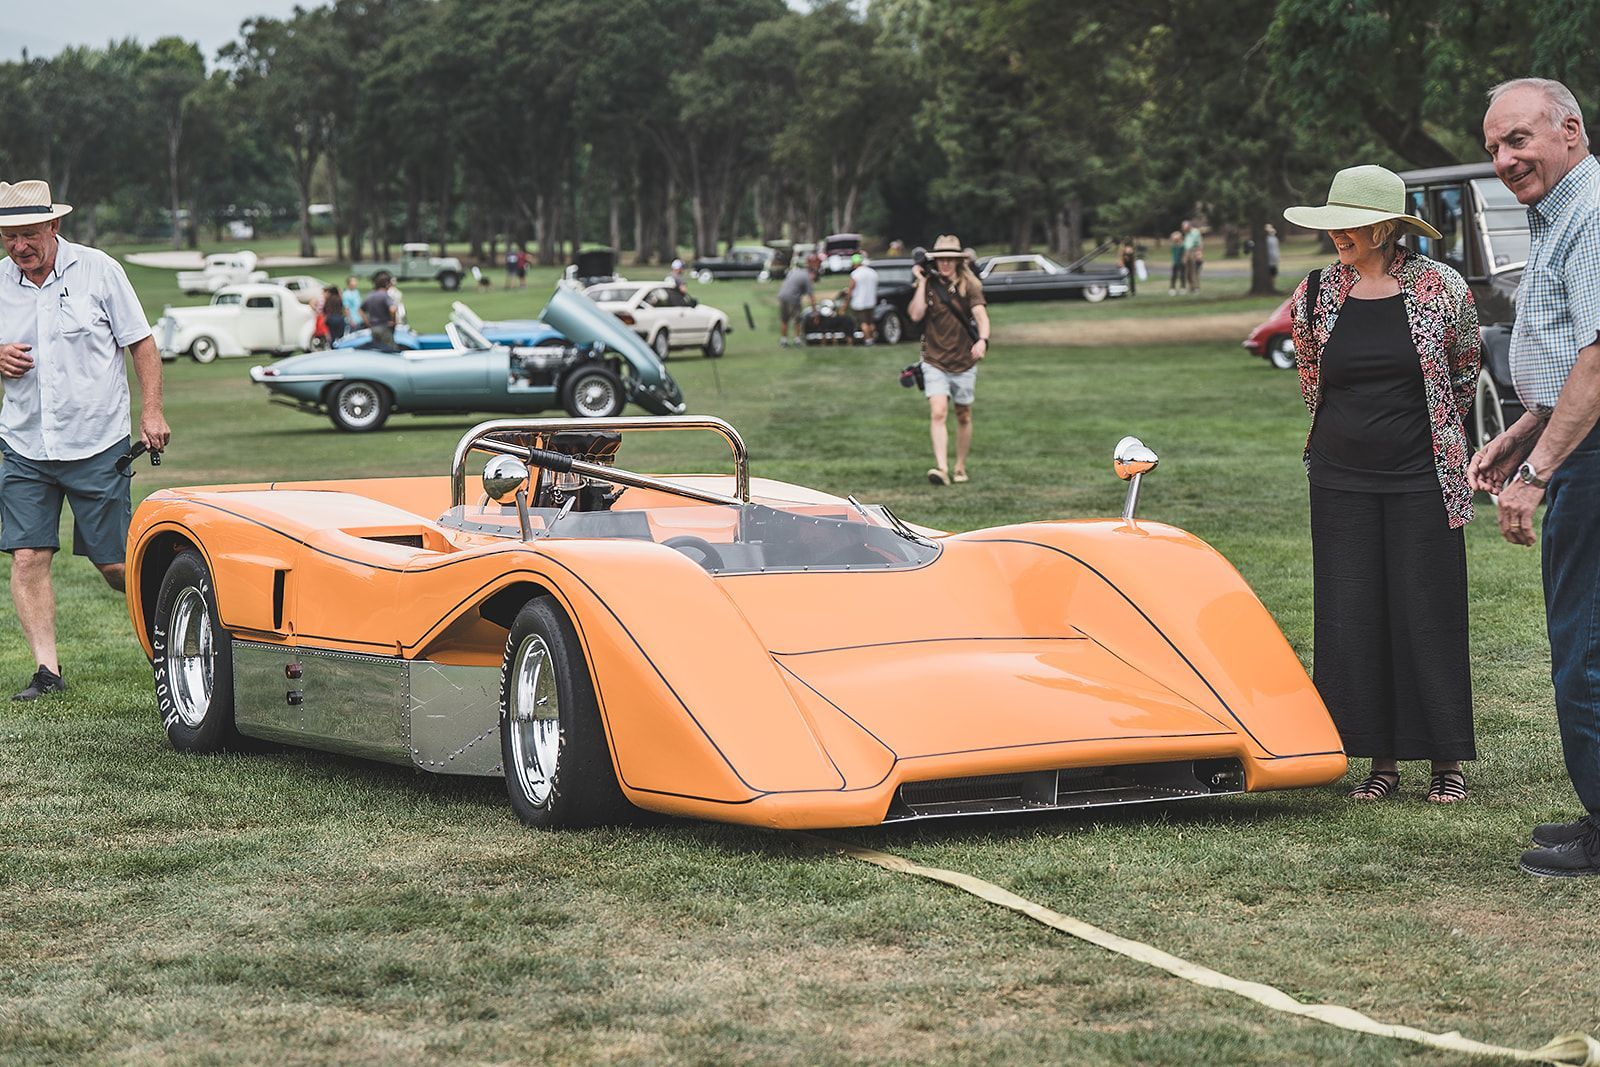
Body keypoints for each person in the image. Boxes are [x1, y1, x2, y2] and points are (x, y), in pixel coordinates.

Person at [1284, 165, 1479, 805]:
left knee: (1426, 612)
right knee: (1353, 615)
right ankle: (1380, 761)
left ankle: (1445, 761)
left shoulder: (1440, 287)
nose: (1337, 235)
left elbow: (1461, 373)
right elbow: (1312, 377)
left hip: (1422, 476)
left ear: (1384, 227)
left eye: (1350, 225)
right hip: (1340, 479)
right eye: (1332, 224)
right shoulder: (1315, 291)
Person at [1469, 78, 1600, 877]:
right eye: (1493, 147)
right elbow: (1567, 360)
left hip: (1591, 456)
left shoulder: (1591, 215)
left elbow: (1598, 356)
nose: (1504, 159)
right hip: (1575, 437)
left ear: (1570, 131)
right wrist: (1523, 429)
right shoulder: (1560, 211)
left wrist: (1539, 470)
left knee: (1584, 643)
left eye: (1518, 139)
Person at [0, 179, 171, 700]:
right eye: (8, 238)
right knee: (27, 557)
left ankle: (170, 641)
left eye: (28, 234)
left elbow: (141, 343)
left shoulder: (100, 270)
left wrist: (153, 411)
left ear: (55, 225)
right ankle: (47, 672)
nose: (18, 247)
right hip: (24, 445)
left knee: (118, 566)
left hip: (97, 444)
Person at [908, 234, 990, 486]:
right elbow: (915, 315)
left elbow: (981, 316)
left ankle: (960, 467)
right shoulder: (930, 285)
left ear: (958, 262)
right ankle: (941, 468)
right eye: (941, 259)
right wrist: (921, 281)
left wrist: (982, 340)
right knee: (938, 412)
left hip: (963, 360)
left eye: (950, 260)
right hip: (934, 359)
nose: (945, 264)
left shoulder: (970, 285)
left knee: (963, 414)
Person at [776, 257, 817, 348]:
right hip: (793, 298)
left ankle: (784, 341)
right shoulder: (807, 277)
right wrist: (815, 312)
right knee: (797, 320)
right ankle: (797, 340)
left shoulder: (795, 272)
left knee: (784, 319)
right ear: (812, 273)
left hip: (782, 296)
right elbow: (812, 297)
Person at [847, 252, 879, 344]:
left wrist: (846, 302)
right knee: (871, 322)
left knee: (863, 322)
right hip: (871, 301)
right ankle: (872, 338)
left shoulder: (855, 274)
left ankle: (868, 340)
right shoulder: (872, 272)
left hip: (859, 302)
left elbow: (851, 289)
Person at [361, 272, 399, 351]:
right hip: (384, 327)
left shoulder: (370, 295)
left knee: (377, 350)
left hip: (373, 327)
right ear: (386, 283)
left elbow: (361, 309)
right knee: (391, 349)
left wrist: (367, 322)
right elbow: (392, 309)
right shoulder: (384, 295)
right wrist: (393, 321)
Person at [1183, 219, 1204, 293]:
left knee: (1194, 271)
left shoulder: (1195, 232)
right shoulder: (1186, 234)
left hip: (1194, 252)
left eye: (1185, 228)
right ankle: (1191, 287)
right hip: (1187, 252)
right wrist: (1185, 256)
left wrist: (1199, 254)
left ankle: (1196, 288)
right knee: (1188, 272)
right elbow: (1186, 245)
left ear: (1189, 226)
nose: (1184, 230)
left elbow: (1199, 244)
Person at [1168, 230, 1184, 294]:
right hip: (1175, 262)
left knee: (1182, 276)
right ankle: (1172, 288)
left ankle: (1182, 288)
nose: (1176, 240)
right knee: (1174, 276)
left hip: (1181, 263)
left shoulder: (1182, 246)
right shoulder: (1173, 246)